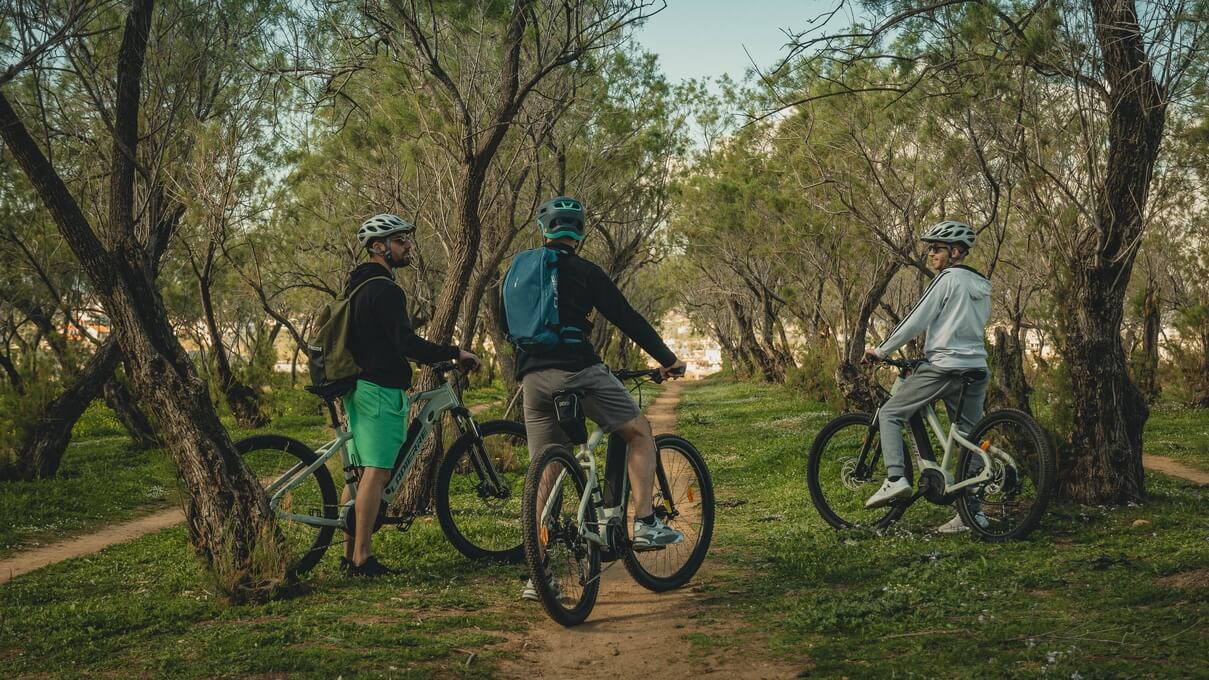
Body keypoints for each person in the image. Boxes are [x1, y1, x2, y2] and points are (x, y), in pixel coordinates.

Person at [500, 196, 687, 600]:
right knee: (638, 432)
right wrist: (668, 360)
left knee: (546, 472)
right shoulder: (585, 271)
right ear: (580, 231)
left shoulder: (518, 271)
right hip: (579, 371)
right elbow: (627, 317)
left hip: (532, 380)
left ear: (543, 229)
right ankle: (645, 523)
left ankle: (538, 574)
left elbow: (505, 323)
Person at [340, 213, 480, 576]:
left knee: (359, 474)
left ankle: (348, 554)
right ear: (378, 247)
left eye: (406, 240)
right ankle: (362, 558)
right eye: (400, 241)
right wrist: (453, 352)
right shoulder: (385, 289)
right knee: (377, 472)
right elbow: (405, 343)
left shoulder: (356, 286)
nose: (408, 247)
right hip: (379, 391)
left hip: (359, 389)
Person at [861, 220, 992, 534]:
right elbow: (961, 328)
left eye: (936, 248)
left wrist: (881, 350)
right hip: (976, 368)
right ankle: (972, 515)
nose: (931, 254)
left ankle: (896, 478)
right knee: (970, 440)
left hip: (946, 367)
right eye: (930, 249)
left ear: (955, 252)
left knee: (890, 412)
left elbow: (916, 319)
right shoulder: (981, 285)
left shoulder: (947, 279)